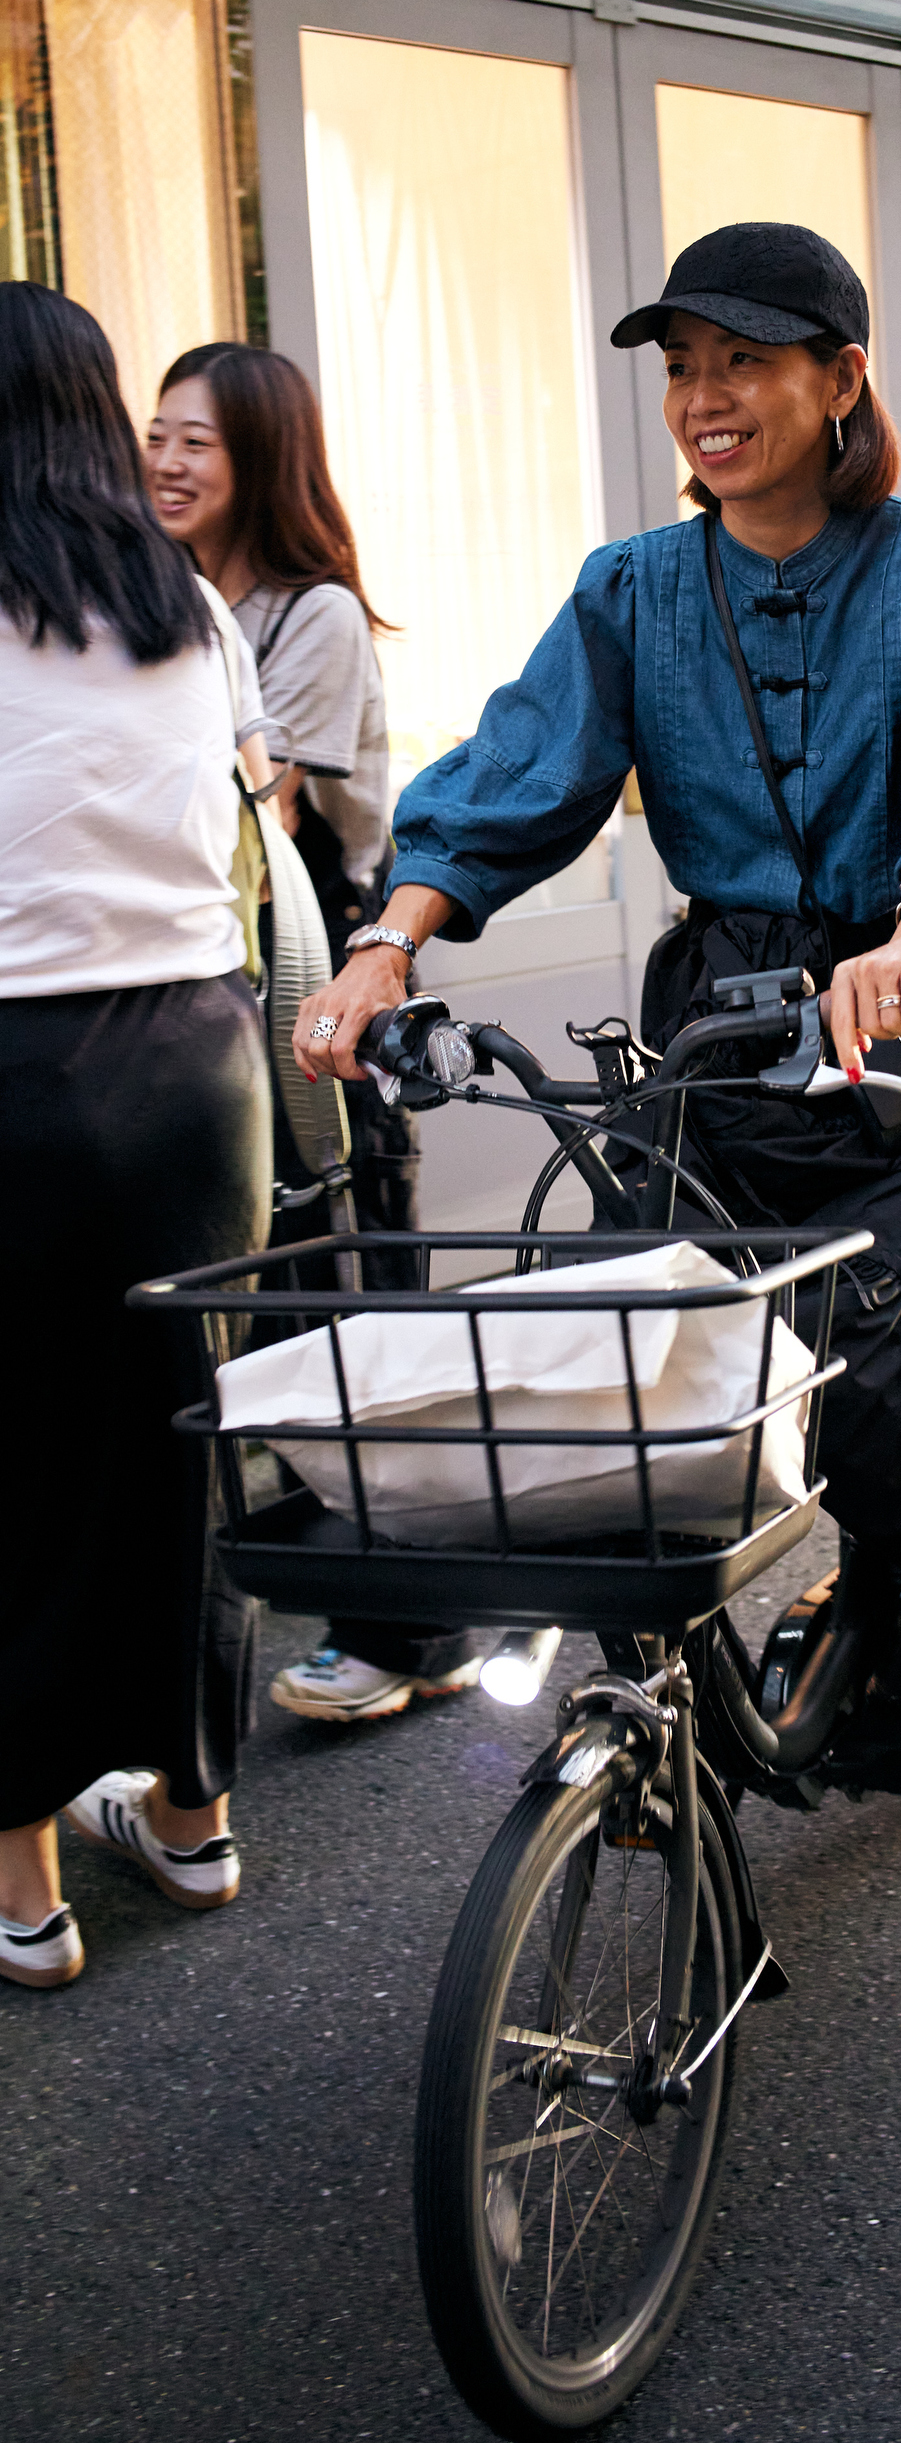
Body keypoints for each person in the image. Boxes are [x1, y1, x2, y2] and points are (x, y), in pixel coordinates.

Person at [290, 221, 901, 1667]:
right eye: (682, 368)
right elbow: (513, 777)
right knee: (630, 1358)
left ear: (841, 380)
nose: (703, 398)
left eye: (745, 361)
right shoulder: (630, 590)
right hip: (716, 1044)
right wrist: (384, 947)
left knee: (874, 1364)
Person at [144, 344, 481, 1725]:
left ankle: (416, 1632)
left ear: (262, 464)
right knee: (284, 1322)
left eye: (197, 446)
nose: (163, 463)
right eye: (154, 436)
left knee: (359, 1313)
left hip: (324, 996)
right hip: (221, 994)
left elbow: (264, 810)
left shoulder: (312, 613)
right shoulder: (162, 596)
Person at [0, 284, 272, 1989]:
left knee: (11, 1465)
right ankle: (186, 1814)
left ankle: (21, 1878)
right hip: (201, 1069)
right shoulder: (186, 603)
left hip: (22, 1076)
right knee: (181, 1444)